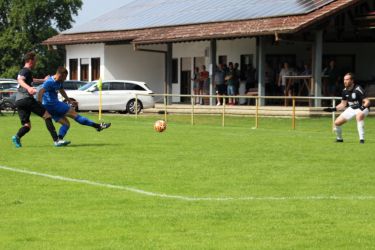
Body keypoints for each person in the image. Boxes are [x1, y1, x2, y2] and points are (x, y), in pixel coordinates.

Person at [37, 67, 111, 144]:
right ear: (60, 75)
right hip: (53, 104)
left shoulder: (59, 81)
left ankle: (59, 140)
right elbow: (40, 91)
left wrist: (69, 101)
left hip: (51, 108)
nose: (64, 80)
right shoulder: (49, 82)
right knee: (74, 114)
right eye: (64, 77)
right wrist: (39, 104)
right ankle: (98, 126)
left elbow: (62, 91)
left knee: (66, 124)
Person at [11, 52, 69, 148]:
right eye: (35, 60)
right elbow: (20, 80)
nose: (36, 62)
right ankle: (57, 140)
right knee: (47, 116)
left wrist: (43, 80)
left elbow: (31, 80)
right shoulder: (26, 70)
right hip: (26, 99)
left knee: (27, 125)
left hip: (19, 101)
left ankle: (17, 136)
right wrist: (29, 88)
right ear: (30, 61)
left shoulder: (26, 72)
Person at [323, 73, 370, 143]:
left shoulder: (358, 89)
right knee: (336, 123)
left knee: (359, 116)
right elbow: (343, 104)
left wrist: (361, 109)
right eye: (344, 79)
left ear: (352, 81)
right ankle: (339, 139)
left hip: (363, 108)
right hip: (352, 108)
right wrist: (333, 109)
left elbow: (367, 102)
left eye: (347, 79)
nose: (345, 81)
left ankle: (361, 139)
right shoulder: (344, 91)